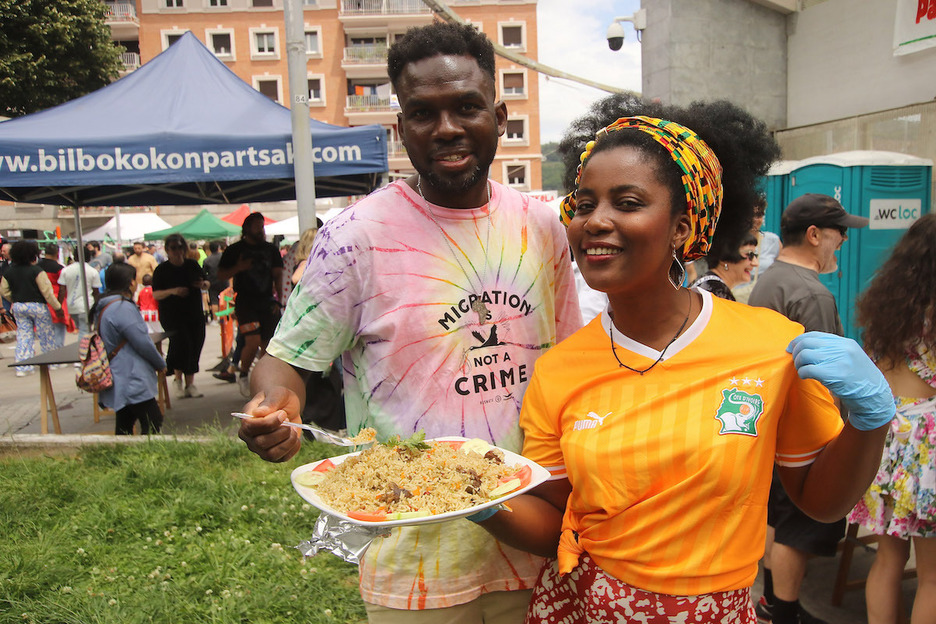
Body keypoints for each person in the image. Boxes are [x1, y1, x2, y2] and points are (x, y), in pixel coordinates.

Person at [470, 103, 895, 624]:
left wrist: (868, 422)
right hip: (587, 604)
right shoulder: (560, 369)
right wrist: (478, 497)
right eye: (584, 204)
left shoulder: (771, 347)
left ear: (681, 228)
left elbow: (820, 503)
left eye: (627, 202)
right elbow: (555, 519)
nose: (596, 221)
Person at [236, 21, 582, 624]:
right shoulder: (355, 238)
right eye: (424, 113)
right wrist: (275, 405)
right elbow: (287, 359)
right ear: (401, 128)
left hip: (537, 546)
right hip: (414, 563)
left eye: (466, 107)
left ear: (500, 115)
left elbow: (571, 362)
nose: (447, 128)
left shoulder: (542, 226)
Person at [748, 193, 869, 624]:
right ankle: (784, 611)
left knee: (777, 518)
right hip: (801, 433)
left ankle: (769, 603)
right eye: (840, 234)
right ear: (815, 235)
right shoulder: (812, 294)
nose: (842, 244)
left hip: (770, 421)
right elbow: (824, 380)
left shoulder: (771, 278)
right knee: (799, 529)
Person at [844, 214, 936, 624]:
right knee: (933, 577)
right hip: (927, 443)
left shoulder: (890, 302)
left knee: (887, 560)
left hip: (886, 432)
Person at [217, 212, 285, 398]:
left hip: (267, 301)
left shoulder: (271, 250)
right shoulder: (235, 250)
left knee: (268, 344)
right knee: (252, 340)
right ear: (247, 228)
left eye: (262, 226)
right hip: (246, 301)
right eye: (257, 226)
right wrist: (239, 268)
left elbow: (278, 275)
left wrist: (279, 300)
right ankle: (244, 373)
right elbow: (220, 275)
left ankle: (263, 380)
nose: (261, 230)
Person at [94, 262, 167, 435]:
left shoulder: (105, 304)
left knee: (125, 420)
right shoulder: (122, 307)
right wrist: (160, 363)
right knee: (152, 418)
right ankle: (147, 456)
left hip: (120, 371)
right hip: (131, 373)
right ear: (131, 283)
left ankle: (122, 458)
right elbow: (141, 341)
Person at [152, 233, 207, 399]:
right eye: (173, 248)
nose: (177, 251)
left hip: (194, 312)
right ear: (167, 250)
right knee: (181, 345)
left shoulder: (191, 265)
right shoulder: (162, 270)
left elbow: (206, 282)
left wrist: (203, 284)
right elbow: (156, 294)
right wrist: (173, 291)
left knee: (195, 344)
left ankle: (190, 383)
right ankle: (177, 380)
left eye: (180, 247)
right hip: (173, 316)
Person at [0, 241, 64, 376]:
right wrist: (57, 307)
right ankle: (51, 362)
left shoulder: (9, 272)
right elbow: (47, 292)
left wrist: (15, 299)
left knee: (24, 335)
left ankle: (23, 367)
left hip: (18, 306)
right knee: (46, 335)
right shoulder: (37, 271)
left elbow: (4, 291)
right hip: (38, 306)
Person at [733, 195, 782, 303]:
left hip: (765, 302)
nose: (755, 219)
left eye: (759, 215)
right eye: (751, 215)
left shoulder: (773, 241)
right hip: (737, 301)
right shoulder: (731, 242)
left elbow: (782, 273)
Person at [691, 231, 759, 301]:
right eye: (749, 254)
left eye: (755, 255)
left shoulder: (706, 284)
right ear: (724, 258)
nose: (755, 263)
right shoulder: (717, 293)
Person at [58, 252, 102, 348]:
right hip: (87, 306)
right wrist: (98, 306)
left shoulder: (65, 270)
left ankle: (83, 353)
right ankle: (82, 355)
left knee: (81, 328)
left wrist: (59, 306)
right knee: (84, 330)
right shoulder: (92, 271)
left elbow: (61, 290)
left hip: (71, 306)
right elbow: (96, 291)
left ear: (75, 256)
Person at [38, 243, 70, 352]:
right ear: (57, 253)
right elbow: (63, 287)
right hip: (57, 299)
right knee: (59, 328)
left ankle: (47, 353)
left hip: (41, 299)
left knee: (45, 329)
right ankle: (58, 352)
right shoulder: (59, 268)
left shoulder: (37, 267)